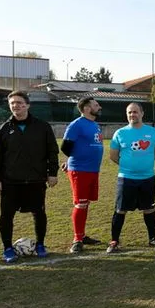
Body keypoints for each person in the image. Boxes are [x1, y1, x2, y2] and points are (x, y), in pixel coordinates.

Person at [0, 91, 59, 263]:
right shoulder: (2, 130)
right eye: (12, 103)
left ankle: (41, 245)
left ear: (27, 105)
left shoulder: (42, 127)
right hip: (10, 182)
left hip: (35, 180)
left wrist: (52, 173)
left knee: (39, 213)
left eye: (20, 103)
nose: (16, 106)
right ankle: (7, 248)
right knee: (6, 216)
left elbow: (52, 152)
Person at [107, 103, 155, 252]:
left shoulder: (152, 132)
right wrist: (128, 165)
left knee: (149, 209)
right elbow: (113, 155)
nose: (132, 115)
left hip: (147, 178)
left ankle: (152, 238)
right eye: (129, 112)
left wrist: (143, 165)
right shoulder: (120, 133)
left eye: (135, 112)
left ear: (142, 113)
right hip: (126, 178)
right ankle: (114, 241)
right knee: (120, 210)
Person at [61, 97, 104, 253]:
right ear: (86, 108)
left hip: (93, 170)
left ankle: (82, 234)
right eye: (96, 105)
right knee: (80, 203)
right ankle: (77, 239)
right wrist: (71, 162)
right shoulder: (76, 124)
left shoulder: (94, 125)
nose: (99, 107)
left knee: (86, 203)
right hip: (80, 170)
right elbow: (66, 147)